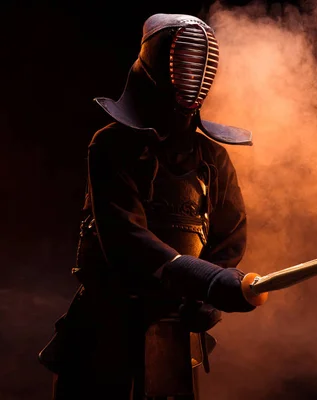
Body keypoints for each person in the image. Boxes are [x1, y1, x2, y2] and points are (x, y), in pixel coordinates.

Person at [39, 13, 256, 400]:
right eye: (183, 59)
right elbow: (125, 238)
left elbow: (229, 236)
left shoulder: (212, 158)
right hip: (103, 328)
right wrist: (205, 279)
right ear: (155, 62)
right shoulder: (110, 146)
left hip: (175, 331)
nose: (195, 72)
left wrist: (211, 292)